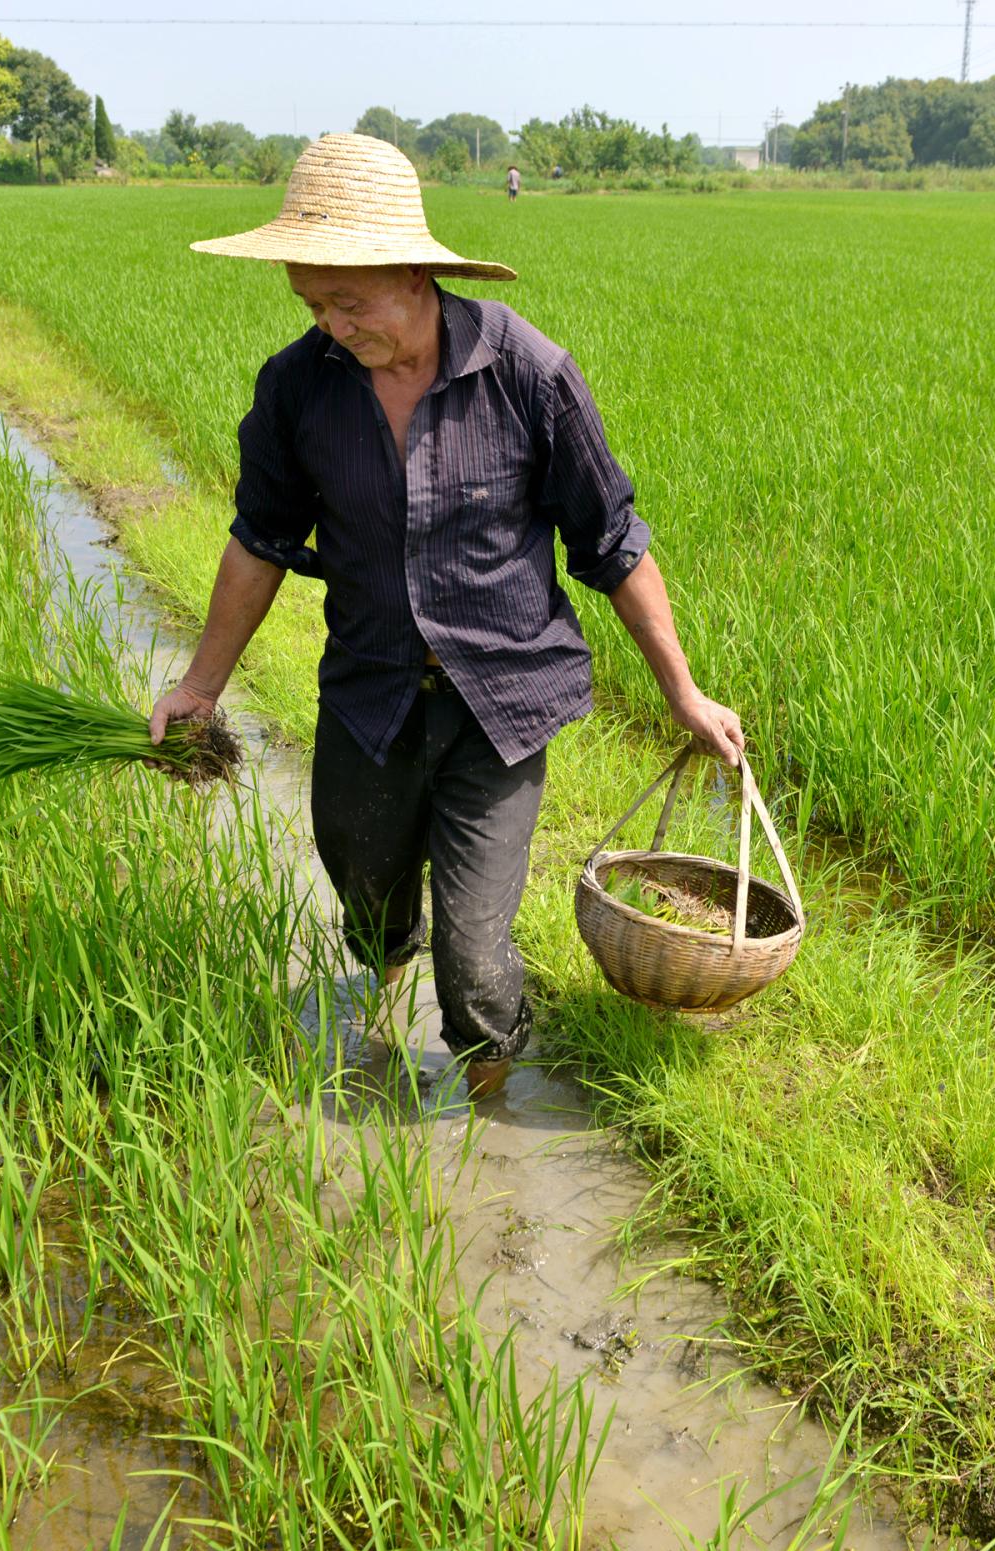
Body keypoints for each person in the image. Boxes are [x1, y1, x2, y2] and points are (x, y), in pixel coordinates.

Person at [155, 133, 743, 1100]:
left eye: (352, 300)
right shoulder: (297, 388)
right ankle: (382, 981)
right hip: (369, 693)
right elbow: (260, 541)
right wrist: (200, 687)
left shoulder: (526, 373)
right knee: (369, 897)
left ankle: (486, 1101)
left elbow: (614, 542)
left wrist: (682, 690)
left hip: (499, 703)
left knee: (474, 953)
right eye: (312, 302)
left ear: (419, 270)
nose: (333, 324)